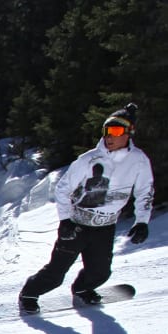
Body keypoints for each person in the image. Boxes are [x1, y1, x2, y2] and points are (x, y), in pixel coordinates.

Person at [19, 103, 154, 314]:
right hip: (77, 224)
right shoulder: (88, 159)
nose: (109, 136)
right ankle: (29, 293)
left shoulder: (139, 161)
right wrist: (65, 221)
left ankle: (82, 289)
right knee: (56, 273)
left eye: (116, 131)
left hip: (105, 226)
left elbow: (145, 191)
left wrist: (142, 221)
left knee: (100, 271)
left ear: (128, 133)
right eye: (106, 131)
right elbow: (62, 189)